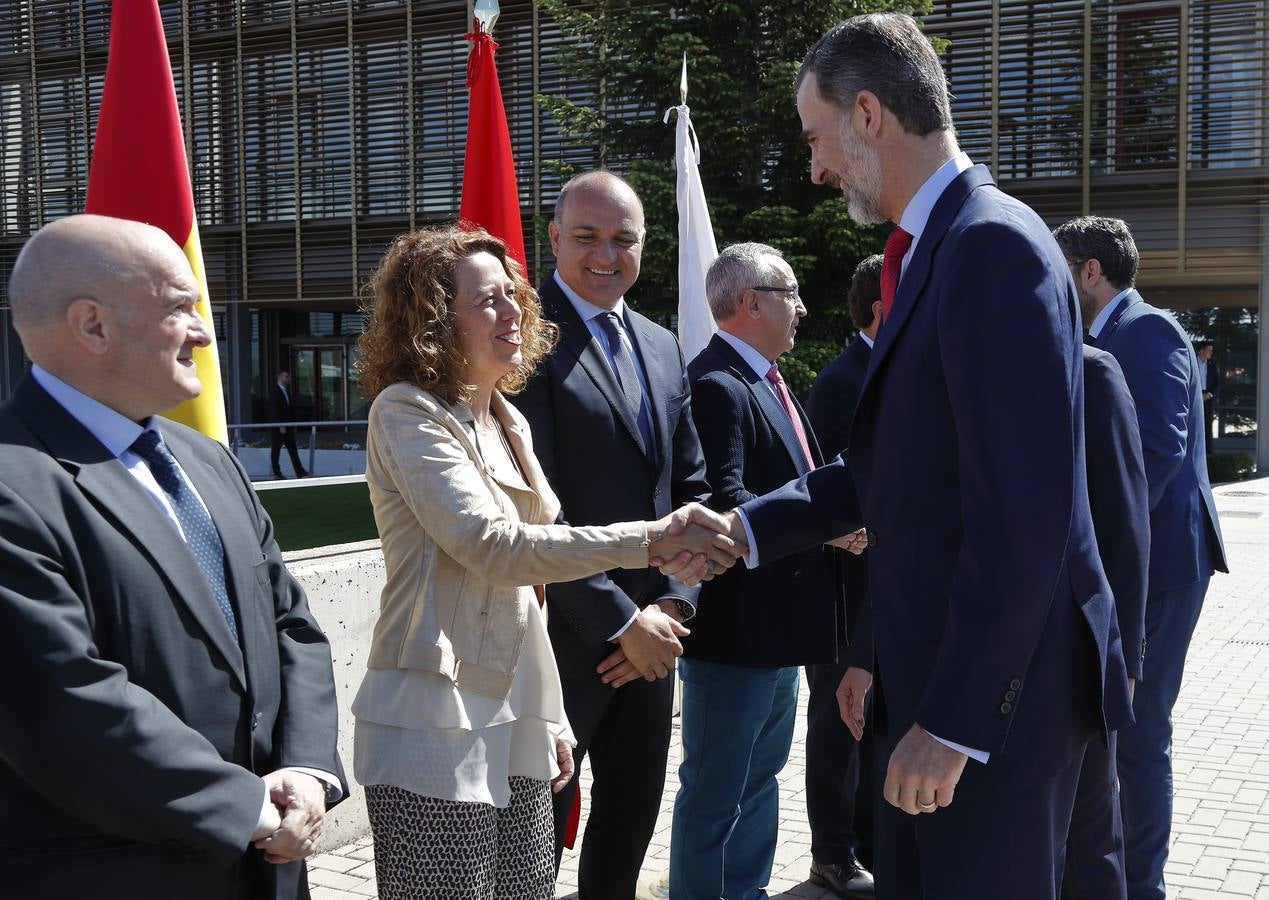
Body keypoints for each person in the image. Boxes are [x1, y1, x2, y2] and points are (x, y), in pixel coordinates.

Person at [654, 15, 1134, 898]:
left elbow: (1026, 516)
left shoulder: (989, 246)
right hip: (952, 680)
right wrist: (737, 528)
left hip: (996, 706)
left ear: (867, 113)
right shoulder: (936, 249)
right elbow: (897, 473)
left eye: (815, 137)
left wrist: (953, 724)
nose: (814, 168)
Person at [351, 225, 742, 899]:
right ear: (434, 320)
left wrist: (549, 712)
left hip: (519, 706)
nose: (514, 312)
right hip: (436, 711)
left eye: (513, 295)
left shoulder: (507, 419)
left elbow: (527, 589)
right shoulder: (407, 412)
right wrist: (650, 538)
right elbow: (495, 548)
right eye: (488, 301)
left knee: (529, 886)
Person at [0, 214, 348, 898]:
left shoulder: (207, 461)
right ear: (92, 326)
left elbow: (291, 627)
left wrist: (308, 771)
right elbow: (59, 702)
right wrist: (247, 809)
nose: (205, 331)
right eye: (179, 308)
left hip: (270, 868)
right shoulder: (15, 481)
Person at [513, 171, 715, 899]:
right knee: (537, 836)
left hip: (654, 642)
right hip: (557, 641)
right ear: (555, 239)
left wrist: (671, 609)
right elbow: (536, 512)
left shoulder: (662, 346)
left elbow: (692, 492)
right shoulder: (519, 341)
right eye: (588, 237)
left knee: (628, 822)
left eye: (623, 239)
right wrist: (619, 621)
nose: (607, 254)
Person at [671, 243, 858, 900]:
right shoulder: (717, 385)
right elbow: (721, 503)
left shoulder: (764, 379)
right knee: (718, 793)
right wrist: (827, 527)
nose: (802, 308)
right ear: (751, 303)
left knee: (758, 784)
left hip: (776, 636)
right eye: (791, 293)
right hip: (736, 638)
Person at [1054, 215, 1228, 900]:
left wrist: (1087, 539)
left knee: (1140, 732)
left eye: (1059, 266)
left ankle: (1140, 885)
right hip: (1132, 562)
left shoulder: (1147, 333)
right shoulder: (1102, 337)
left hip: (1158, 567)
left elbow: (1154, 454)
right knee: (1115, 727)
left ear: (1089, 271)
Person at [802, 253, 882, 893]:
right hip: (845, 583)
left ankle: (871, 840)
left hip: (888, 581)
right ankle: (831, 852)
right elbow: (820, 484)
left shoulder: (894, 369)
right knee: (837, 719)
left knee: (874, 716)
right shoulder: (841, 381)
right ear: (881, 309)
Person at [1063, 345, 1151, 900]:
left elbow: (1126, 522)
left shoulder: (1092, 370)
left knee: (1091, 835)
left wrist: (1126, 654)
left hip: (1082, 651)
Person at [270, 370, 308, 479]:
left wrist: (292, 424)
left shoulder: (286, 392)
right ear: (280, 377)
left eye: (288, 377)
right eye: (286, 376)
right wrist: (279, 425)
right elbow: (274, 410)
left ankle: (300, 471)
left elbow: (290, 409)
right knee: (276, 449)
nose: (288, 379)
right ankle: (277, 473)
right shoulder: (275, 391)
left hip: (288, 426)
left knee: (293, 449)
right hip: (279, 427)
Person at [1196, 341, 1219, 442]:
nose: (1211, 352)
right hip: (1195, 395)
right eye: (1208, 350)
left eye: (1211, 350)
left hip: (1207, 397)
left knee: (1208, 422)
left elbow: (1217, 383)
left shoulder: (1211, 365)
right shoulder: (1193, 362)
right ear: (1201, 350)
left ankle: (1209, 451)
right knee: (1194, 421)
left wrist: (1209, 395)